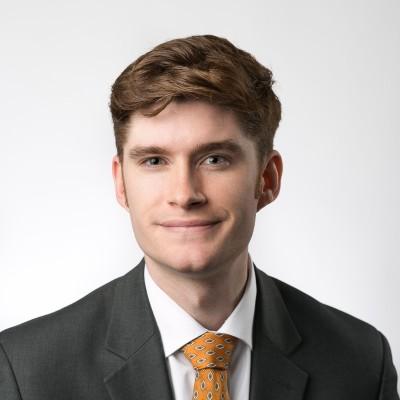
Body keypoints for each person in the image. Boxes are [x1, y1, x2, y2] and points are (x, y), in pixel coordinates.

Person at [0, 34, 398, 400]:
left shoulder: (361, 362)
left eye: (215, 159)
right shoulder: (26, 371)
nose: (185, 194)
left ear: (267, 179)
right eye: (154, 161)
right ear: (122, 183)